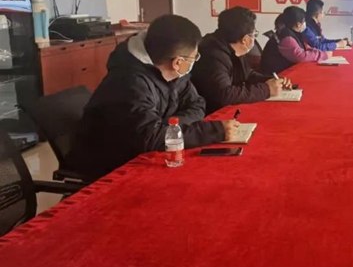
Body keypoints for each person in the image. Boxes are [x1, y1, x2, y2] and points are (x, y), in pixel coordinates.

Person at [66, 15, 239, 180]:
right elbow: (149, 138)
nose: (195, 61)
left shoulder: (175, 73)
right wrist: (213, 131)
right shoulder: (128, 83)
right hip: (111, 165)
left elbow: (197, 104)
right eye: (194, 57)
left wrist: (168, 128)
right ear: (178, 62)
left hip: (146, 149)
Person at [191, 7, 289, 113]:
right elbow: (225, 94)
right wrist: (266, 89)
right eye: (255, 34)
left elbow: (247, 74)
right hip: (212, 113)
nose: (255, 38)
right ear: (245, 39)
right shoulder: (213, 55)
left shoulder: (231, 46)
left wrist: (271, 81)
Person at [260, 6, 330, 74]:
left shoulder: (292, 33)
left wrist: (318, 52)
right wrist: (323, 55)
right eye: (304, 21)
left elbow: (304, 48)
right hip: (274, 76)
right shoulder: (287, 38)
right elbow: (301, 56)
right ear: (298, 24)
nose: (305, 24)